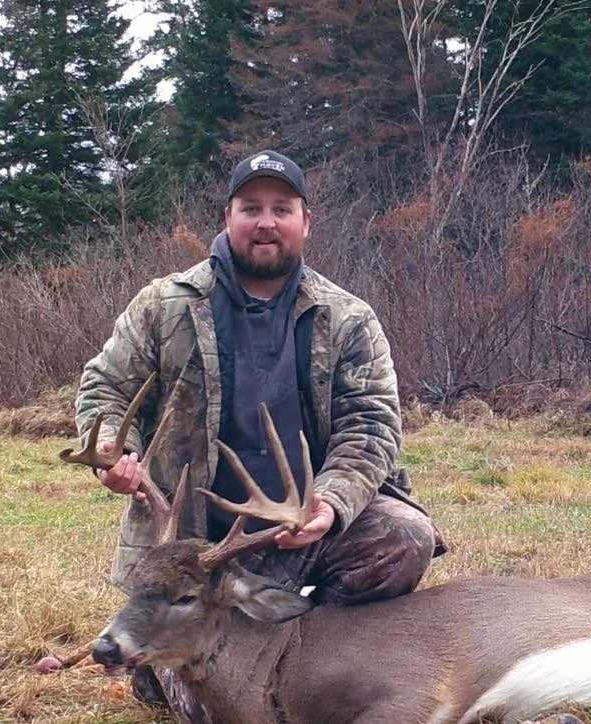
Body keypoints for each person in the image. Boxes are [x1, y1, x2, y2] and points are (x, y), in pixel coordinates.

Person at [73, 150, 445, 721]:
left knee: (403, 537)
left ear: (305, 221)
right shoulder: (165, 304)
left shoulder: (346, 318)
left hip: (299, 527)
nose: (265, 222)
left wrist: (332, 501)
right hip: (199, 550)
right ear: (228, 217)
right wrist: (111, 453)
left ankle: (318, 647)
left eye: (281, 208)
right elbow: (105, 383)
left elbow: (371, 424)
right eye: (251, 208)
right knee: (212, 711)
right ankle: (179, 652)